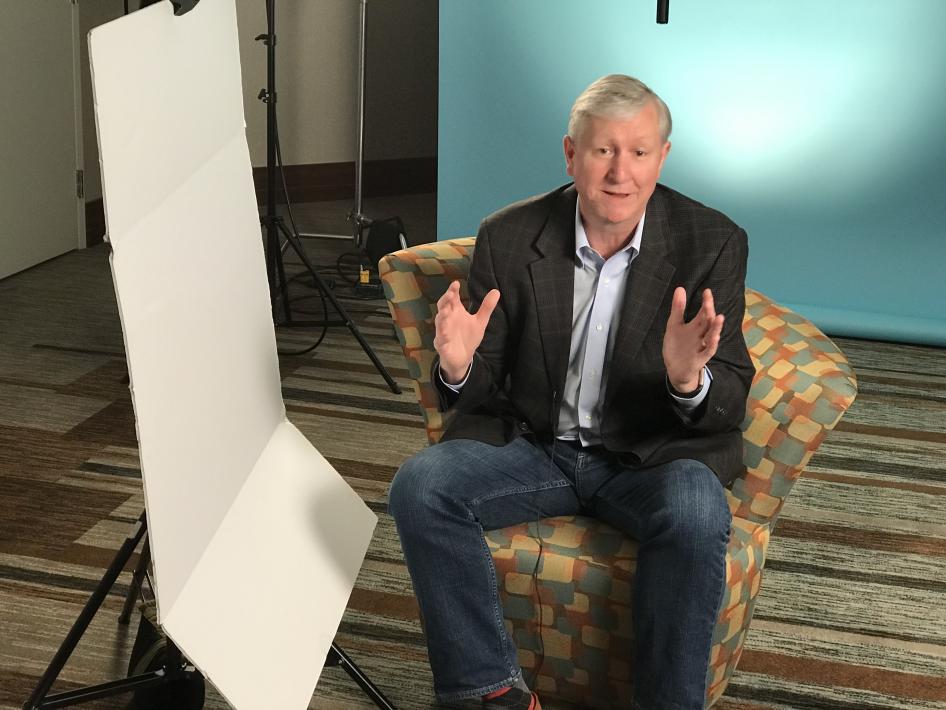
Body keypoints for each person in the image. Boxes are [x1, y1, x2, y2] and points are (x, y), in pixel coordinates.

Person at [388, 74, 754, 710]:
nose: (620, 172)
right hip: (536, 446)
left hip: (651, 457)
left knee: (698, 512)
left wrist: (685, 378)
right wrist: (456, 366)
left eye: (639, 152)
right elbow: (480, 389)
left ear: (662, 157)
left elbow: (730, 400)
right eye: (602, 150)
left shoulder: (711, 240)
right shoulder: (508, 234)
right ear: (570, 154)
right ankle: (490, 691)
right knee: (420, 488)